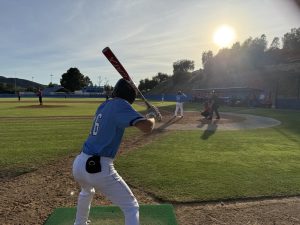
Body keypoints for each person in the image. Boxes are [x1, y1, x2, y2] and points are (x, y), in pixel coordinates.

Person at [72, 78, 158, 225]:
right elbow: (146, 127)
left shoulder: (104, 105)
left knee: (86, 192)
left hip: (79, 163)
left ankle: (79, 223)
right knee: (131, 207)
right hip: (98, 167)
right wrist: (152, 116)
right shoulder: (120, 104)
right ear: (130, 95)